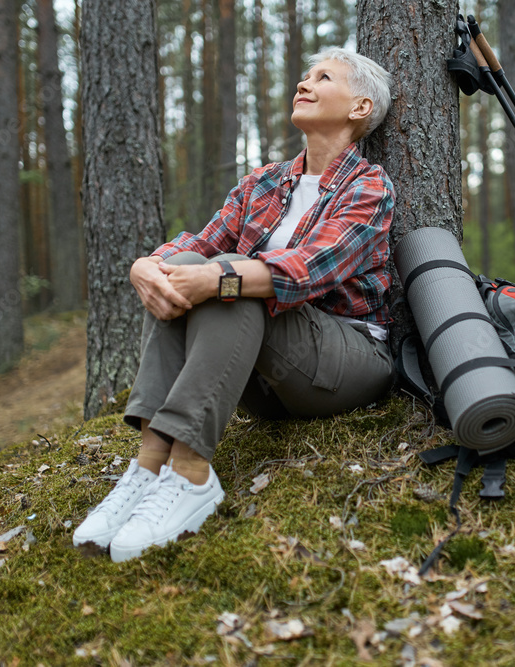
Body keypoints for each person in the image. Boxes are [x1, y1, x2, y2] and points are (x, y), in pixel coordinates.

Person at [73, 48, 396, 562]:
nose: (303, 83)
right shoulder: (263, 182)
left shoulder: (369, 186)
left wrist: (218, 275)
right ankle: (149, 465)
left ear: (360, 107)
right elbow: (196, 248)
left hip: (342, 361)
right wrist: (146, 266)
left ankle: (191, 473)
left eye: (323, 77)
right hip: (262, 376)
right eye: (303, 74)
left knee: (233, 276)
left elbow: (305, 270)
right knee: (190, 262)